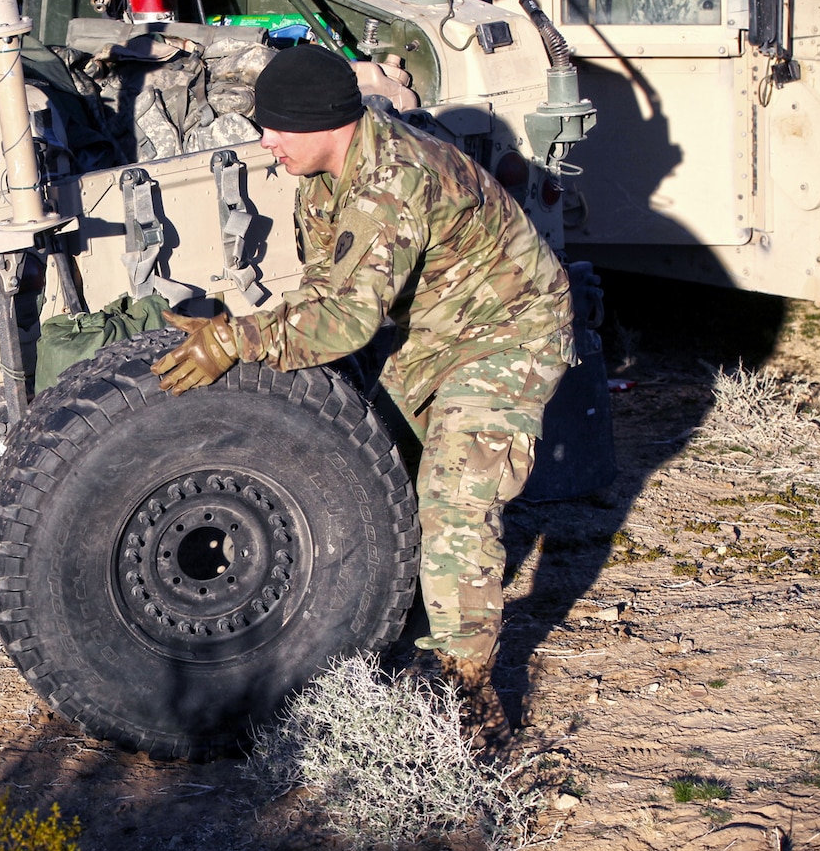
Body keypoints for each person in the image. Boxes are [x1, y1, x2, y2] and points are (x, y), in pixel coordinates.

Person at [151, 44, 576, 749]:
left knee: (453, 493)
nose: (265, 142)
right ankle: (401, 630)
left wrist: (237, 340)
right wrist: (250, 331)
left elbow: (345, 321)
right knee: (379, 468)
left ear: (323, 123)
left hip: (509, 331)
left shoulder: (390, 181)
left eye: (276, 127)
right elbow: (331, 292)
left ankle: (467, 698)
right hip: (433, 329)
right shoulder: (324, 173)